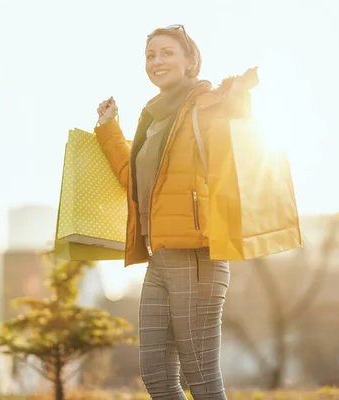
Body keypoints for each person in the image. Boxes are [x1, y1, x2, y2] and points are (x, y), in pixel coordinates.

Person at [95, 24, 258, 400]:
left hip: (198, 256)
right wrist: (109, 131)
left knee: (200, 377)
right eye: (150, 55)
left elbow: (236, 128)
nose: (156, 61)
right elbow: (135, 184)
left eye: (167, 52)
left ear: (190, 61)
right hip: (160, 258)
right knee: (157, 377)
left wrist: (236, 93)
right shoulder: (154, 119)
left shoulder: (205, 103)